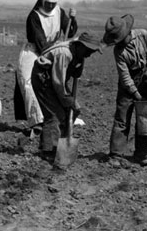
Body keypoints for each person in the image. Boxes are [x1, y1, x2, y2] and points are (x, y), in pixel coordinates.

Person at [31, 32, 103, 163]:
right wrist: (65, 99)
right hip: (44, 80)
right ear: (81, 46)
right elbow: (58, 82)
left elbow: (70, 75)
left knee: (74, 109)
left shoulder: (78, 53)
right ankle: (49, 150)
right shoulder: (64, 53)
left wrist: (79, 65)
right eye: (90, 50)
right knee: (54, 114)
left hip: (56, 80)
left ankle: (59, 141)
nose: (90, 54)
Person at [14, 0, 78, 133]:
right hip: (34, 50)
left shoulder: (59, 12)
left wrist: (72, 21)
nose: (50, 7)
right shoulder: (34, 16)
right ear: (42, 1)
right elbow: (40, 41)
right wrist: (52, 52)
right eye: (48, 4)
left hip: (52, 50)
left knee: (54, 82)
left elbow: (70, 32)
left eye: (53, 4)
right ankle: (36, 120)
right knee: (27, 81)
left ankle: (58, 117)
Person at [102, 14, 147, 166]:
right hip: (128, 85)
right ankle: (116, 154)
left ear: (128, 32)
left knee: (145, 119)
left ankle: (141, 153)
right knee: (122, 119)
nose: (119, 43)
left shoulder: (143, 35)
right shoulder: (118, 52)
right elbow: (125, 77)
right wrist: (136, 93)